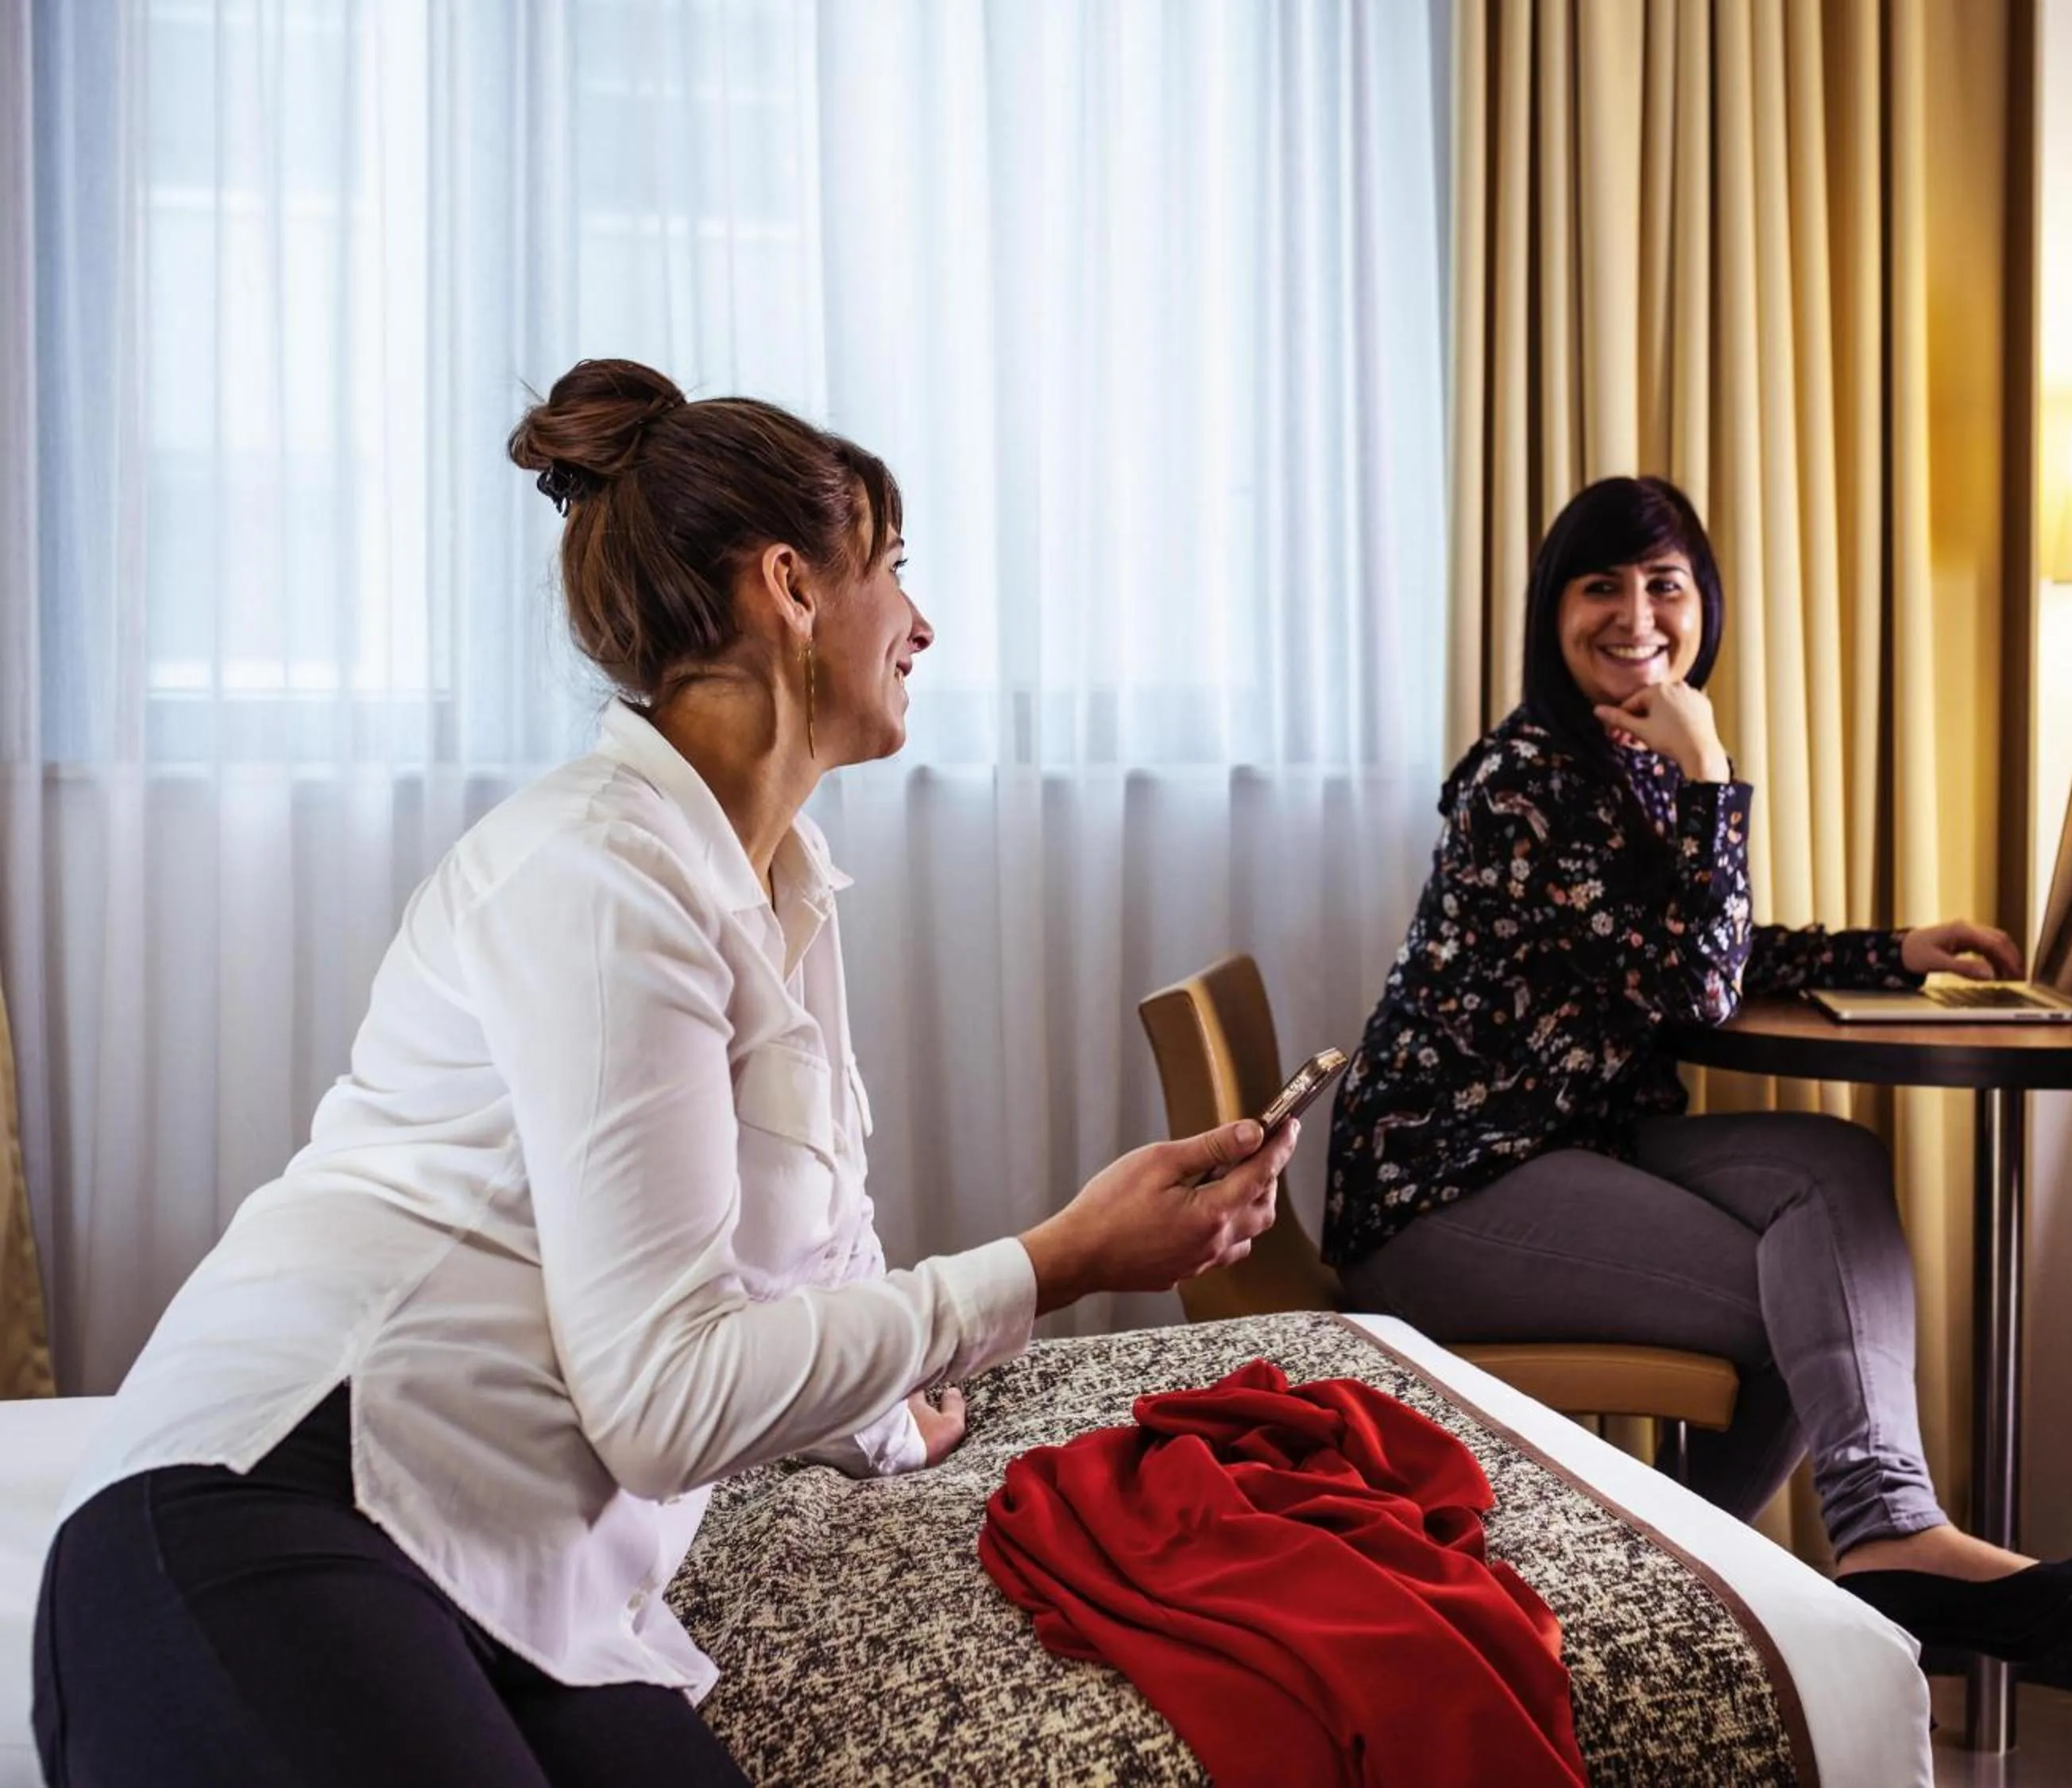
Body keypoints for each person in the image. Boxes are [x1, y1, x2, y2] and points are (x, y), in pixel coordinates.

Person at [31, 358, 1297, 1787]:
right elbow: (664, 1403)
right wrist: (1055, 1262)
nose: (923, 623)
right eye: (893, 568)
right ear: (792, 588)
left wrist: (896, 1415)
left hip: (532, 1587)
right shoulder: (594, 876)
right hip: (271, 1509)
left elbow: (809, 1267)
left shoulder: (778, 893)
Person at [1322, 474, 2072, 1658]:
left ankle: (1761, 1568)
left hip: (1566, 1138)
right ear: (1555, 611)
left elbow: (1699, 952)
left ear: (1702, 603)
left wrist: (1892, 952)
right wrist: (1714, 775)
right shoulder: (1525, 782)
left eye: (1665, 582)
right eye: (1602, 584)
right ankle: (1790, 1568)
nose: (1636, 612)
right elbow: (1698, 985)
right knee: (1806, 1298)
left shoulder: (1618, 759)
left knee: (1832, 1173)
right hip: (1445, 1186)